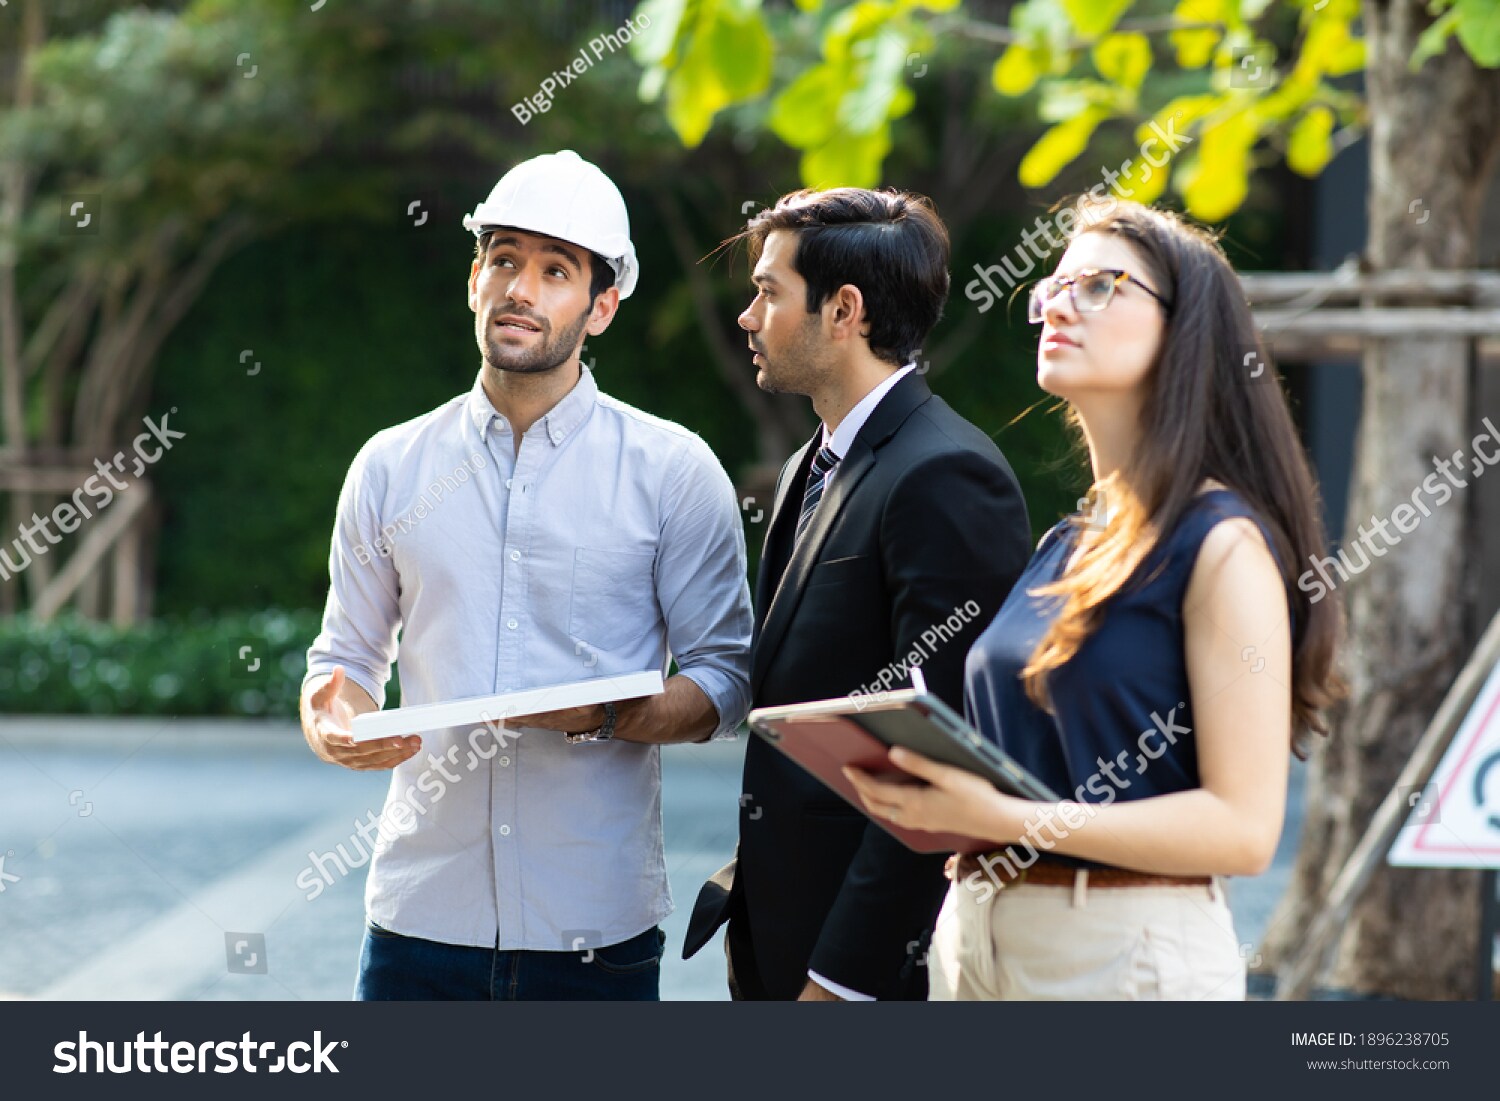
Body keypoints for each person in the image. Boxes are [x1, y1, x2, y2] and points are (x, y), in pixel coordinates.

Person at [845, 196, 1345, 1000]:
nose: (1059, 304)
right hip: (979, 939)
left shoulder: (1221, 545)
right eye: (1054, 286)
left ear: (1186, 332)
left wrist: (1008, 821)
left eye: (1103, 285)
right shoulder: (1066, 543)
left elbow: (1244, 829)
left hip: (1120, 956)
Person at [299, 150, 753, 1001]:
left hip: (594, 930)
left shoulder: (673, 470)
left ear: (603, 305)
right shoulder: (389, 466)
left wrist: (610, 713)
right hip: (417, 925)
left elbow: (726, 678)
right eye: (504, 259)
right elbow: (344, 659)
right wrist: (334, 718)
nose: (521, 288)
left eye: (555, 270)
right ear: (474, 279)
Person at [683, 187, 1032, 1001]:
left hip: (857, 976)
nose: (746, 316)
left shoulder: (947, 474)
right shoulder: (819, 458)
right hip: (774, 942)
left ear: (844, 311)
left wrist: (840, 983)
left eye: (769, 292)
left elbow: (939, 767)